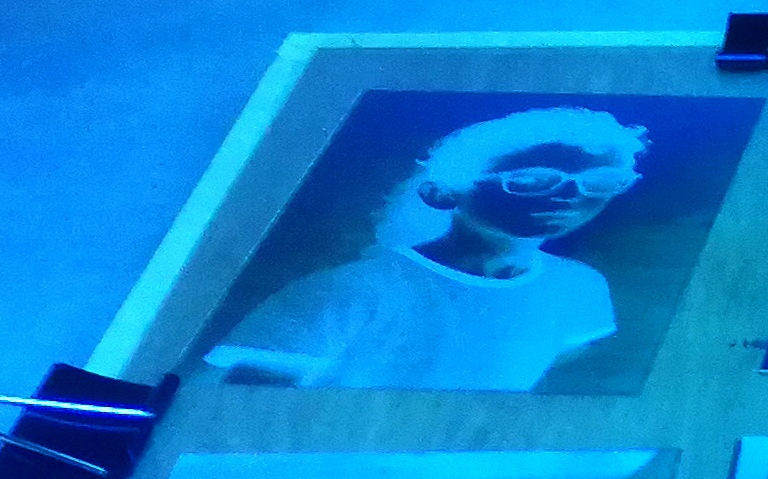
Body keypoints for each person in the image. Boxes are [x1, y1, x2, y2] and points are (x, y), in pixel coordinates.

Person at [208, 107, 649, 389]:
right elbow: (250, 406)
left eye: (600, 182)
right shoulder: (349, 291)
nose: (570, 196)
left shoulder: (579, 287)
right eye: (532, 180)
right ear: (443, 192)